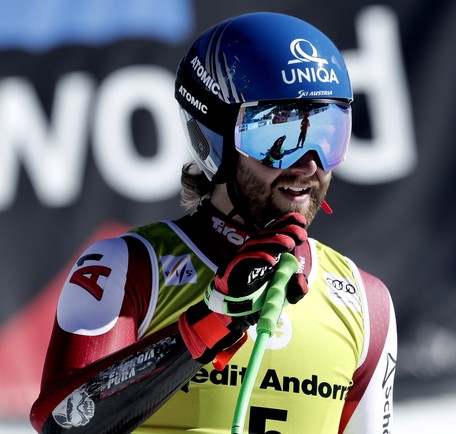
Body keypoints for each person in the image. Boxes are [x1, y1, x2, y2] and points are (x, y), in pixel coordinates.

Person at [30, 12, 397, 434]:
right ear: (215, 139)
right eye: (277, 138)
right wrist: (211, 320)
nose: (309, 164)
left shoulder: (368, 305)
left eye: (329, 132)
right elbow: (62, 425)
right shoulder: (128, 268)